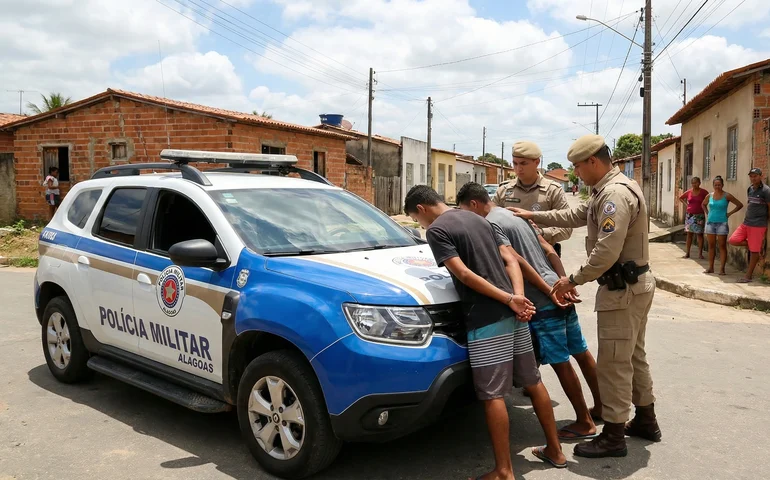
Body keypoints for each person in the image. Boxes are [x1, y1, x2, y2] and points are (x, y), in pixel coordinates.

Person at [511, 134, 660, 459]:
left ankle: (614, 436)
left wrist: (571, 280)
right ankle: (646, 420)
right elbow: (575, 216)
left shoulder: (613, 196)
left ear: (593, 161)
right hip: (634, 286)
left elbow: (606, 251)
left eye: (578, 167)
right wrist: (531, 217)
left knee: (615, 363)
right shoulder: (609, 188)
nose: (576, 173)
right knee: (633, 356)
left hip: (623, 290)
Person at [404, 185, 566, 479]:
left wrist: (507, 300)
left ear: (422, 209)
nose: (420, 225)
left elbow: (463, 274)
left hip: (486, 317)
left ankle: (504, 471)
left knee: (492, 395)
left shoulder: (436, 231)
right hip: (515, 313)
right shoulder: (480, 219)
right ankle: (555, 450)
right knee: (533, 382)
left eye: (417, 220)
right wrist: (517, 297)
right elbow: (510, 259)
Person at [457, 182, 603, 441]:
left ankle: (585, 421)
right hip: (558, 288)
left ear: (474, 204)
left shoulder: (491, 223)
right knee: (581, 352)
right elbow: (549, 249)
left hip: (544, 298)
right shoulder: (515, 215)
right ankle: (602, 407)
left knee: (560, 362)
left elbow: (519, 263)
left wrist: (548, 293)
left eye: (465, 211)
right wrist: (562, 281)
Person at [492, 141, 572, 257]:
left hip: (544, 256)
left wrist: (541, 233)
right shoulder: (504, 190)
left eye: (524, 163)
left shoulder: (553, 190)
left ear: (537, 162)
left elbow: (566, 229)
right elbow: (490, 222)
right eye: (515, 163)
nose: (518, 169)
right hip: (511, 257)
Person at [729, 167, 770, 283]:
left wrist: (766, 221)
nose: (753, 178)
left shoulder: (766, 191)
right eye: (751, 176)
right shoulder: (750, 189)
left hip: (758, 224)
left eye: (755, 176)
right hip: (746, 222)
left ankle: (748, 276)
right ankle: (754, 247)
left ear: (760, 176)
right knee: (733, 240)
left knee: (754, 252)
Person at [702, 176, 743, 275]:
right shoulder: (709, 196)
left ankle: (722, 269)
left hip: (722, 223)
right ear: (713, 185)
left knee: (722, 246)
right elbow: (703, 204)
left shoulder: (727, 196)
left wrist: (729, 214)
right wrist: (707, 212)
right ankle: (711, 267)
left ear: (722, 185)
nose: (717, 186)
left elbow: (739, 204)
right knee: (711, 246)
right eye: (715, 185)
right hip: (711, 223)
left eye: (719, 185)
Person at [678, 177, 708, 259]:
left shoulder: (703, 192)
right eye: (693, 183)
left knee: (699, 235)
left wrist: (705, 206)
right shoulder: (689, 192)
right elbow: (681, 198)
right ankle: (687, 253)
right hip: (690, 215)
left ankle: (700, 253)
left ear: (699, 183)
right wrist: (687, 205)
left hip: (700, 215)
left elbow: (709, 199)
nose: (694, 184)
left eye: (696, 183)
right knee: (689, 234)